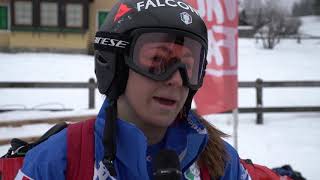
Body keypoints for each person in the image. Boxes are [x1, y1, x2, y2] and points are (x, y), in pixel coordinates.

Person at [15, 0, 250, 179]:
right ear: (115, 64)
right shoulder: (57, 161)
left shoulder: (220, 161)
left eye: (188, 66)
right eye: (158, 60)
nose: (177, 80)